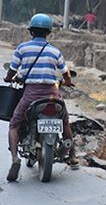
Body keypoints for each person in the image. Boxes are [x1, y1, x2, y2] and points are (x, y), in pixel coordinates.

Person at [5, 13, 78, 181]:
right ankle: (73, 156)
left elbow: (12, 70)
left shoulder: (22, 48)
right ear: (48, 33)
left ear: (31, 32)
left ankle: (15, 158)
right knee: (65, 122)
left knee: (14, 124)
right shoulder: (55, 51)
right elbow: (65, 72)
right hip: (53, 94)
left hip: (31, 94)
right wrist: (68, 82)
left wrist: (8, 78)